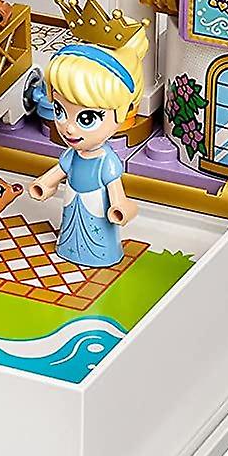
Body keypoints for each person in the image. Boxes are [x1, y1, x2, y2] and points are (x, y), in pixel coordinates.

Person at [26, 16, 148, 267]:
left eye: (87, 118)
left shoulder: (106, 160)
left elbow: (116, 191)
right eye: (59, 110)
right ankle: (68, 248)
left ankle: (99, 255)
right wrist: (43, 185)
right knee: (71, 227)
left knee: (97, 236)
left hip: (98, 210)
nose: (69, 127)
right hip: (73, 203)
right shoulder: (72, 155)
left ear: (124, 111)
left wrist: (120, 207)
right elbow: (57, 173)